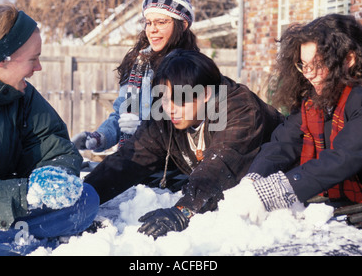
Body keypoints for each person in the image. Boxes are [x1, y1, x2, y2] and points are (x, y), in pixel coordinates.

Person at [84, 49, 283, 239]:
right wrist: (83, 195)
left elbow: (220, 167)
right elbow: (129, 159)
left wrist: (183, 211)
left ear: (205, 94)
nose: (170, 108)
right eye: (164, 98)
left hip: (283, 200)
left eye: (179, 100)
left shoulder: (240, 110)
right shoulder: (166, 112)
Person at [0, 4, 99, 256]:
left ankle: (1, 244)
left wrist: (55, 174)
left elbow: (54, 144)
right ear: (3, 58)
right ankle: (27, 242)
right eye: (33, 58)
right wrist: (24, 194)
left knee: (85, 198)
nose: (39, 67)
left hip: (7, 201)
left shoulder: (22, 94)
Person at [238, 14, 362, 222]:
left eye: (318, 64)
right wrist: (253, 180)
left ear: (348, 59)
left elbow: (342, 158)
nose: (309, 74)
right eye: (304, 65)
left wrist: (276, 191)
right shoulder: (314, 100)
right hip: (356, 206)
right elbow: (283, 143)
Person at [71, 0, 199, 152]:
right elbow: (122, 116)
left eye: (161, 22)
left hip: (174, 170)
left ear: (183, 25)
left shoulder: (194, 69)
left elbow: (194, 126)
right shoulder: (138, 65)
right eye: (149, 22)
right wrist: (99, 138)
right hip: (133, 161)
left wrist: (142, 130)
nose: (152, 29)